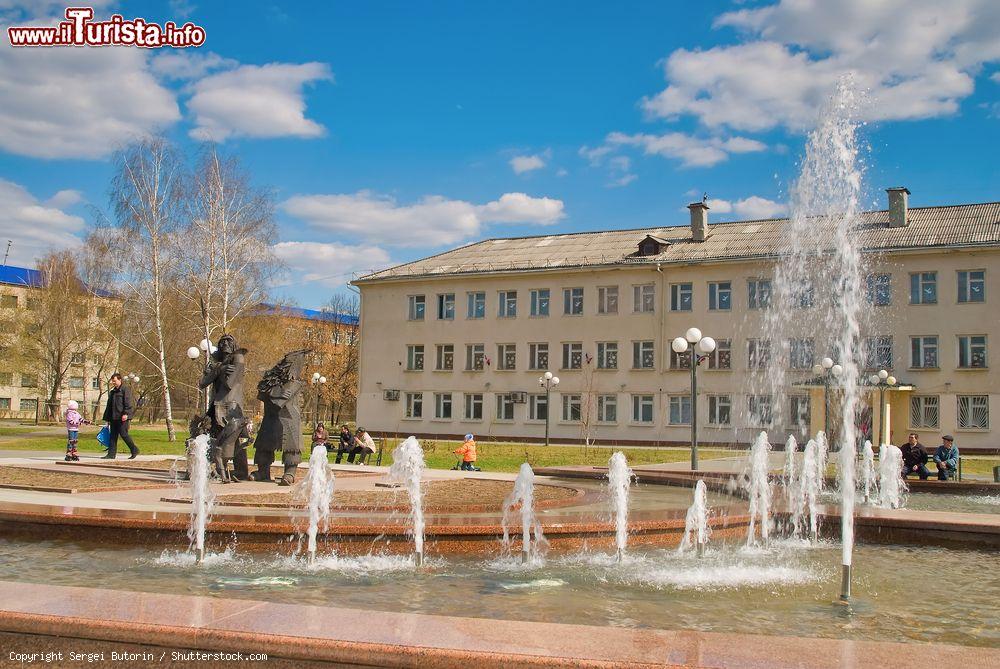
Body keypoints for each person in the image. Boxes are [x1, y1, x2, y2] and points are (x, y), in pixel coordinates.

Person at [101, 373, 139, 459]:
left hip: (122, 417)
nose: (113, 383)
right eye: (112, 381)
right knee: (113, 436)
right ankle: (111, 454)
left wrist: (126, 413)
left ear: (120, 380)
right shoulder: (112, 392)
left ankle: (134, 450)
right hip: (113, 417)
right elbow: (109, 406)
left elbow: (128, 403)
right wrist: (107, 418)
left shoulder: (125, 389)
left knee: (124, 434)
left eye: (115, 381)